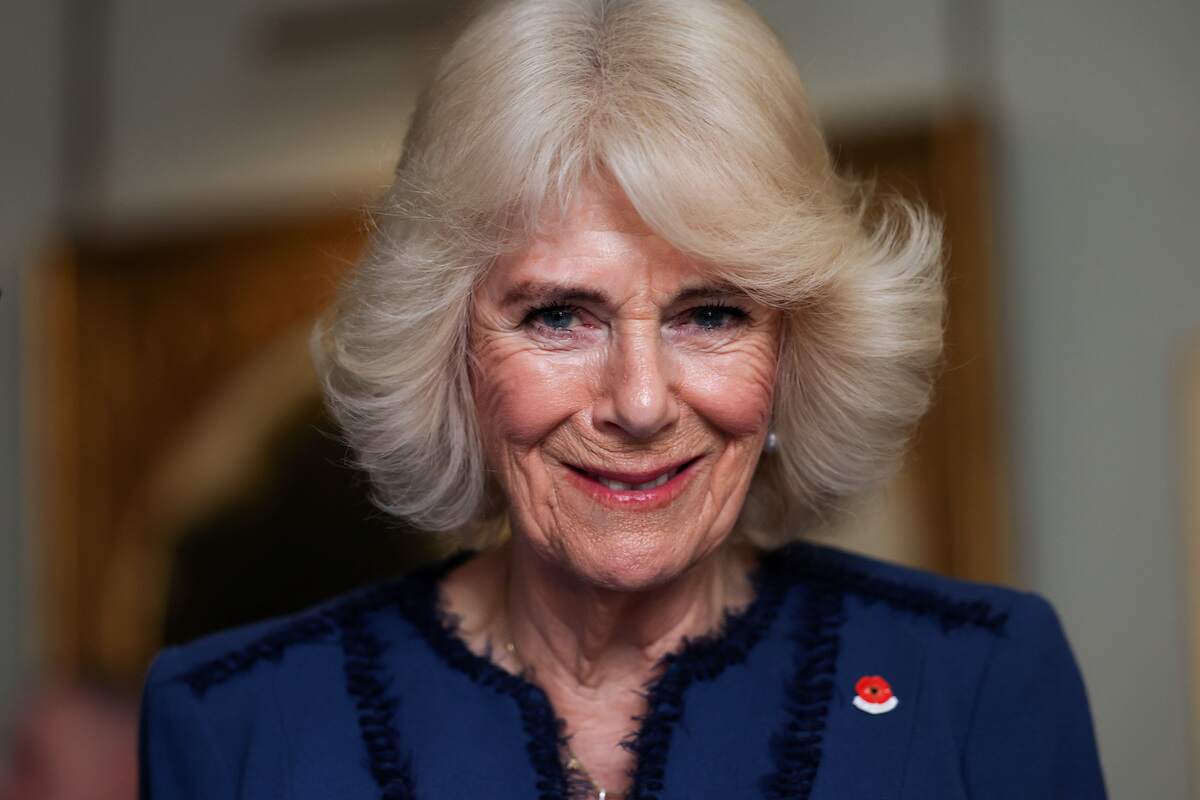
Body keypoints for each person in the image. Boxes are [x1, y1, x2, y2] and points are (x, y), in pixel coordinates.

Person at [139, 0, 1107, 797]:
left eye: (712, 313)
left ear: (798, 347)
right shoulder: (233, 724)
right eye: (560, 314)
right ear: (450, 351)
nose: (640, 402)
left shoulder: (979, 679)